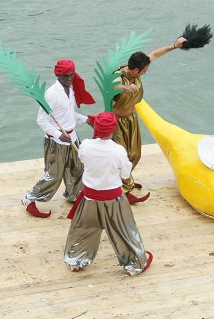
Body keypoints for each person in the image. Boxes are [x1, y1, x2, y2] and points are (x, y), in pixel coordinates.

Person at [64, 112, 152, 276]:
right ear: (113, 129)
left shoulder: (86, 145)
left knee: (84, 229)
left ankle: (75, 260)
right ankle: (134, 264)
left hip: (89, 198)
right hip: (113, 199)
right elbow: (126, 175)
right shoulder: (118, 150)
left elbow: (83, 159)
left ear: (96, 127)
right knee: (124, 230)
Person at [112, 37, 187, 203]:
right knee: (122, 156)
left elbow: (154, 54)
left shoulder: (137, 67)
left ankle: (125, 180)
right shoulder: (118, 75)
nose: (145, 73)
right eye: (144, 71)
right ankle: (124, 190)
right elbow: (115, 86)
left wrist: (175, 46)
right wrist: (126, 87)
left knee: (135, 154)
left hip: (131, 117)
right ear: (136, 70)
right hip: (116, 121)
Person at [21, 59, 92, 218]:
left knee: (78, 168)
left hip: (72, 136)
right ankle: (29, 198)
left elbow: (67, 113)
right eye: (65, 76)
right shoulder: (51, 94)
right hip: (56, 142)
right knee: (54, 176)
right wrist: (58, 134)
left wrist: (86, 120)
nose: (69, 78)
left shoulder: (71, 89)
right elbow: (41, 120)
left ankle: (73, 195)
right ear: (58, 76)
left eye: (71, 75)